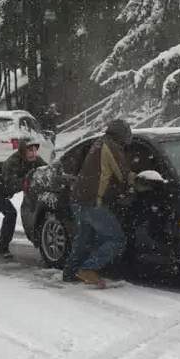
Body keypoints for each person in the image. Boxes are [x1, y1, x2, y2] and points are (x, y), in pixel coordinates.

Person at [64, 119, 135, 288]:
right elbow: (122, 175)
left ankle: (70, 272)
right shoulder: (111, 147)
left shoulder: (99, 142)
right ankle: (88, 268)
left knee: (84, 239)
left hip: (78, 198)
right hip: (92, 201)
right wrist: (135, 181)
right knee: (116, 239)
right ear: (122, 135)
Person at [0, 137, 47, 257]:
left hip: (4, 190)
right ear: (22, 151)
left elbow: (46, 170)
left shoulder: (36, 160)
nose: (33, 153)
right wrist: (27, 180)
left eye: (35, 150)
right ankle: (3, 249)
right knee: (10, 213)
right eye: (30, 150)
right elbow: (11, 183)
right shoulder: (13, 161)